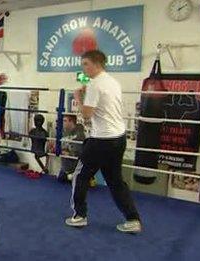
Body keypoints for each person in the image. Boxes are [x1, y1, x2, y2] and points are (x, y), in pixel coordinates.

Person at [65, 50, 142, 233]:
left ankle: (79, 216)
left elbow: (86, 115)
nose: (83, 68)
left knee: (79, 175)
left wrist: (77, 98)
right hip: (118, 137)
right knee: (115, 181)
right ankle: (133, 220)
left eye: (85, 64)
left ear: (96, 64)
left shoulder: (95, 84)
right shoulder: (112, 81)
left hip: (101, 140)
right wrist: (87, 95)